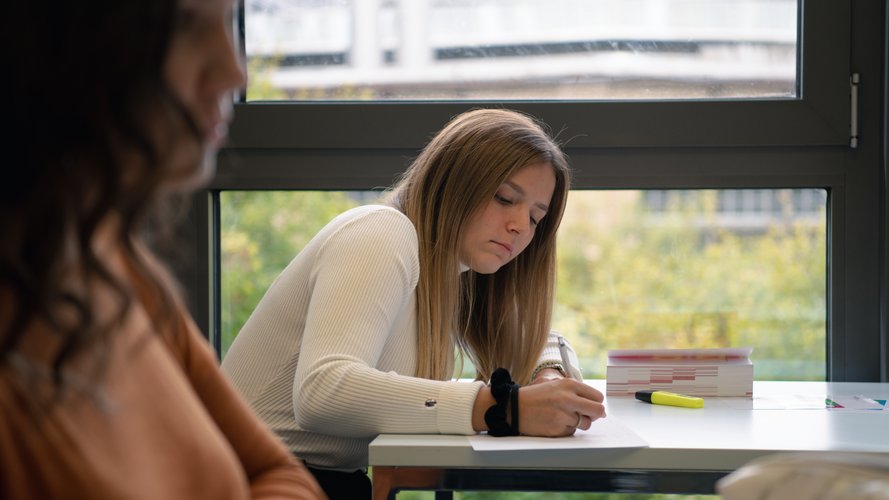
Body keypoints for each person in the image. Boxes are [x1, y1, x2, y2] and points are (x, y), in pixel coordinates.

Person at [1, 1, 324, 499]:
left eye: (228, 24)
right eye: (184, 27)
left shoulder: (110, 256)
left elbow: (280, 475)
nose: (233, 72)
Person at [222, 108, 607, 499]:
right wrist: (503, 408)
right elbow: (323, 392)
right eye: (505, 198)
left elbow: (533, 336)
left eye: (536, 217)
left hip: (313, 481)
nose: (521, 226)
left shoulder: (450, 276)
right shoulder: (383, 232)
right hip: (243, 482)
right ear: (452, 183)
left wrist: (549, 375)